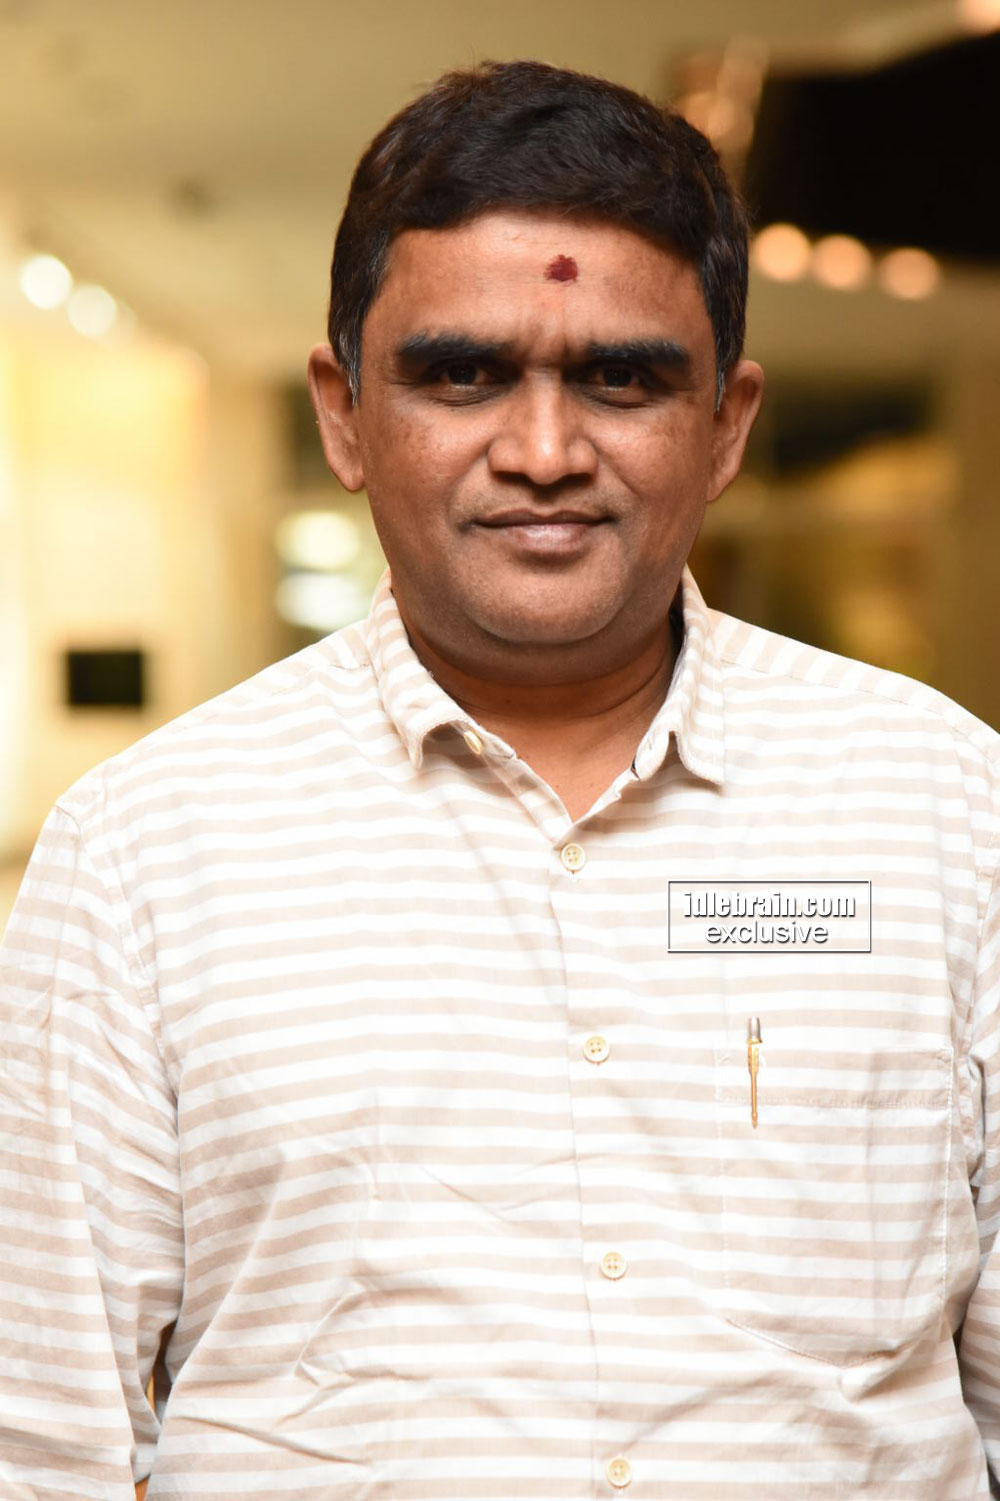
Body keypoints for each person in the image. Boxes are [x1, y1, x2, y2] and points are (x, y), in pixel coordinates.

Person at [1, 57, 998, 1501]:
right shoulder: (145, 853)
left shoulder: (949, 809)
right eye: (462, 374)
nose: (543, 452)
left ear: (727, 424)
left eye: (621, 377)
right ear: (345, 414)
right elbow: (46, 1441)